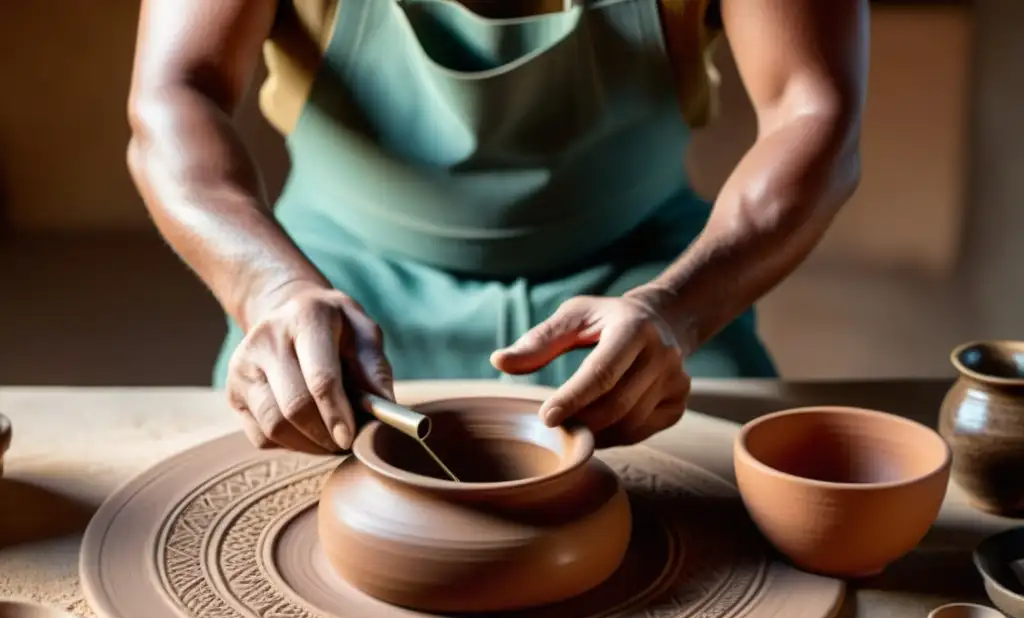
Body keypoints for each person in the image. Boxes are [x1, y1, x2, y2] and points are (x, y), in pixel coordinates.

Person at [127, 0, 866, 453]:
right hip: (335, 283)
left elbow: (817, 114)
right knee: (261, 469)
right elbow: (172, 94)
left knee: (739, 497)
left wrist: (677, 310)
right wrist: (271, 289)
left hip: (643, 277)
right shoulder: (302, 291)